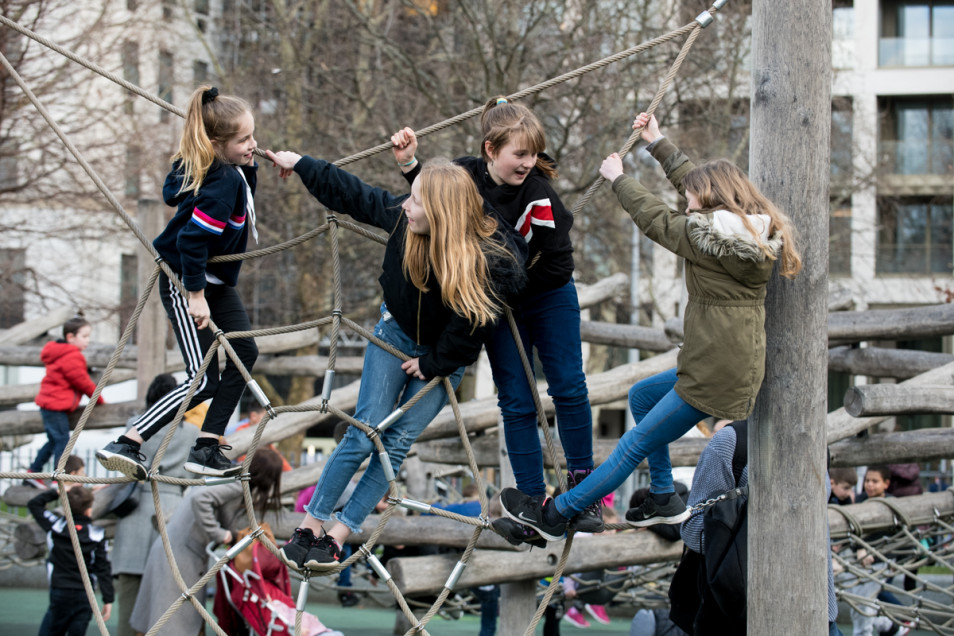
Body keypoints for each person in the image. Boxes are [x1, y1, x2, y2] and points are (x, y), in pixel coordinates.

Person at [499, 111, 802, 539]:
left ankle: (559, 514)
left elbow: (657, 220)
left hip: (713, 370)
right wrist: (656, 142)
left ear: (710, 201)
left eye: (692, 198)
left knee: (632, 445)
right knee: (642, 396)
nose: (686, 201)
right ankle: (663, 495)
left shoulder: (706, 240)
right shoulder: (745, 232)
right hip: (721, 361)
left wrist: (618, 179)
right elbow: (692, 184)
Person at [264, 147, 527, 571]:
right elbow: (356, 195)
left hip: (443, 358)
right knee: (364, 428)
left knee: (397, 440)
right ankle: (310, 525)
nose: (406, 203)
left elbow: (470, 329)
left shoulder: (483, 262)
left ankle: (340, 533)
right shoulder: (405, 226)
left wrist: (433, 364)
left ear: (441, 213)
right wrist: (304, 165)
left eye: (417, 199)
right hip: (394, 335)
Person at [391, 96, 602, 540]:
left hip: (546, 292)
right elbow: (435, 197)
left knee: (568, 384)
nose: (528, 163)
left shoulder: (541, 195)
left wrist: (507, 281)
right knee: (517, 400)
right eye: (519, 154)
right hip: (500, 302)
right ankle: (529, 499)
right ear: (490, 150)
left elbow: (560, 265)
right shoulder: (467, 175)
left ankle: (586, 487)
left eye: (533, 154)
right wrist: (411, 164)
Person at [97, 85, 260, 481]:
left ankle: (206, 446)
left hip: (213, 279)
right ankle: (128, 441)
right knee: (202, 377)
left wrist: (253, 161)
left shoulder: (222, 171)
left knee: (243, 353)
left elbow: (241, 192)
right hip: (186, 280)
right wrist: (195, 295)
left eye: (254, 136)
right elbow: (191, 240)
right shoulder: (220, 183)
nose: (254, 144)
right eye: (245, 140)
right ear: (217, 143)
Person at [129, 448, 284, 635]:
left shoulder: (230, 477)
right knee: (175, 620)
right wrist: (220, 534)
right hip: (182, 554)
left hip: (176, 547)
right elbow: (200, 498)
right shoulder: (237, 483)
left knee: (165, 616)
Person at [109, 373, 199, 636]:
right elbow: (191, 477)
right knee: (165, 596)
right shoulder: (191, 432)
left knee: (129, 591)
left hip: (136, 507)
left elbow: (125, 465)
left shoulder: (135, 424)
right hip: (170, 511)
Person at [25, 314, 105, 488]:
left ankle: (33, 472)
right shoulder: (72, 356)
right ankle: (57, 476)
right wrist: (98, 398)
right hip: (55, 406)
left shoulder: (60, 353)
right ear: (70, 337)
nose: (88, 341)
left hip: (50, 404)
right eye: (84, 336)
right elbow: (81, 381)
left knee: (54, 440)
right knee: (62, 440)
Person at [28, 485, 114, 635]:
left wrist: (59, 491)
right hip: (85, 595)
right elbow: (103, 567)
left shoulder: (56, 526)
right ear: (89, 509)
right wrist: (108, 598)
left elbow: (34, 504)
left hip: (60, 591)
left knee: (51, 630)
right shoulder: (97, 535)